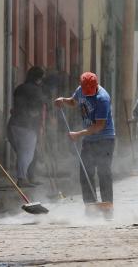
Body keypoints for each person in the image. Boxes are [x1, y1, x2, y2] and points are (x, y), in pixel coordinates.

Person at [54, 72, 115, 213]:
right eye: (85, 91)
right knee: (85, 173)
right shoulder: (80, 90)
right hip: (89, 140)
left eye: (90, 91)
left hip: (105, 139)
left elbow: (99, 126)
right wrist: (63, 100)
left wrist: (78, 134)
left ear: (95, 86)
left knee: (103, 172)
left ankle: (107, 207)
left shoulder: (102, 98)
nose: (87, 94)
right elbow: (73, 101)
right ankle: (91, 207)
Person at [8, 66, 46, 188]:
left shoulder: (19, 88)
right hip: (27, 126)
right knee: (27, 154)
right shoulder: (37, 91)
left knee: (24, 153)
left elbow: (15, 107)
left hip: (13, 124)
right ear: (39, 79)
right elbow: (39, 110)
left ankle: (28, 177)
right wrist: (41, 125)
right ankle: (22, 178)